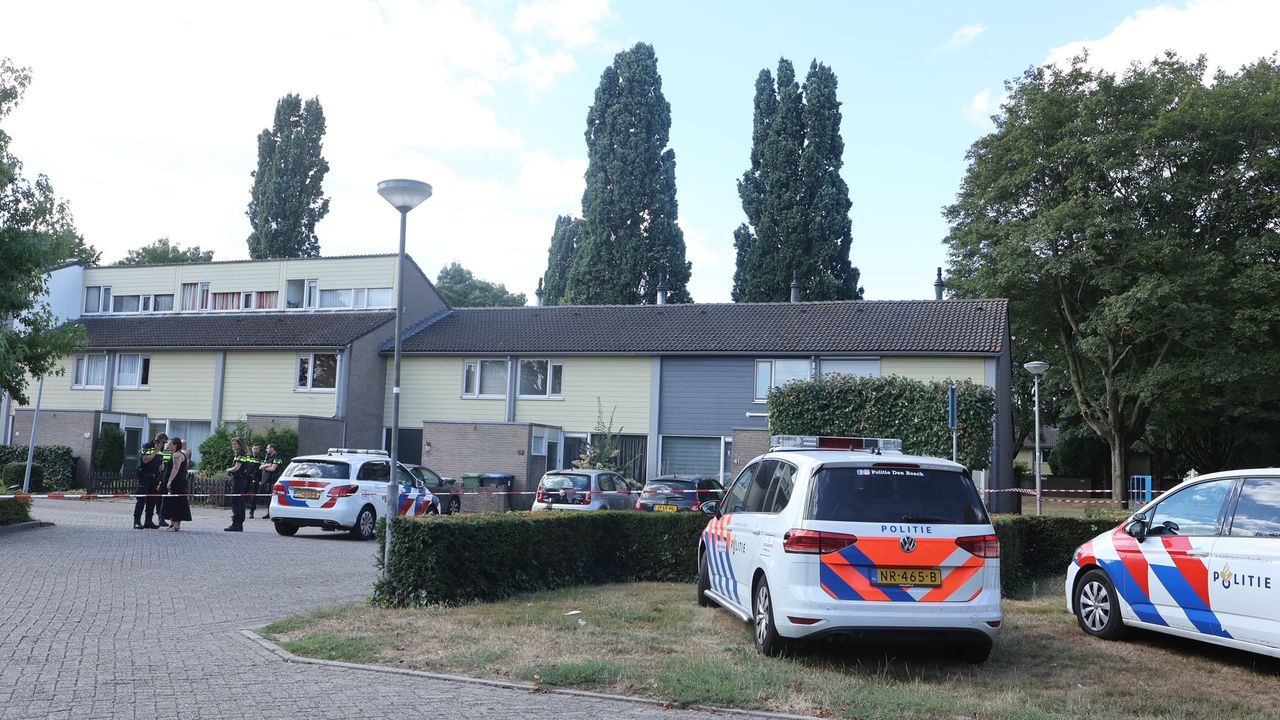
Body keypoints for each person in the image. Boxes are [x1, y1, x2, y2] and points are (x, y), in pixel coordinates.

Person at [132, 432, 170, 529]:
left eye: (165, 443)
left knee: (152, 500)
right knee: (141, 500)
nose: (164, 445)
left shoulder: (161, 449)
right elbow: (145, 459)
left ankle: (148, 521)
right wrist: (155, 451)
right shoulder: (147, 446)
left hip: (155, 477)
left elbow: (160, 460)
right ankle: (137, 522)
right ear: (157, 440)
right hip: (144, 476)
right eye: (163, 442)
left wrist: (162, 466)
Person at [224, 438, 259, 532]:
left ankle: (236, 524)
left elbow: (237, 467)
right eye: (233, 444)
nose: (233, 446)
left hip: (238, 480)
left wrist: (228, 470)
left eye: (235, 444)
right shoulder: (244, 454)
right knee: (240, 501)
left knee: (236, 501)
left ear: (240, 445)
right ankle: (239, 524)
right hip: (243, 480)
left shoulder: (240, 454)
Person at [160, 437, 192, 531]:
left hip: (177, 482)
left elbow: (175, 469)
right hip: (175, 481)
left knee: (176, 502)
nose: (168, 445)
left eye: (170, 444)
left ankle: (176, 525)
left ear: (175, 445)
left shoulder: (177, 455)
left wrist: (169, 481)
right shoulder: (174, 454)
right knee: (170, 502)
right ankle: (172, 522)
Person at [258, 442, 284, 520]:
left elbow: (273, 469)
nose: (266, 449)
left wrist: (265, 468)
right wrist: (267, 465)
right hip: (268, 480)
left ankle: (273, 513)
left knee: (273, 497)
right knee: (268, 497)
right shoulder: (268, 457)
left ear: (272, 449)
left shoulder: (277, 457)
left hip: (274, 479)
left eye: (268, 448)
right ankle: (269, 512)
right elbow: (260, 467)